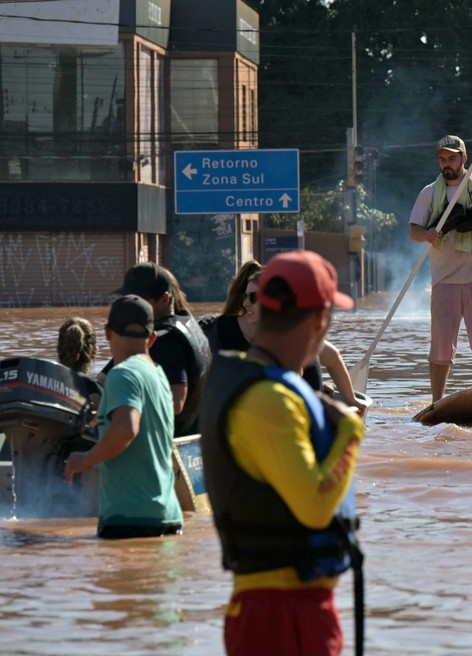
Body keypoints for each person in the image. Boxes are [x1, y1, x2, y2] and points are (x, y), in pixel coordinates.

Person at [200, 250, 364, 656]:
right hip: (282, 614)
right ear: (318, 320)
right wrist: (349, 433)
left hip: (278, 608)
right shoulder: (271, 400)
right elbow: (313, 507)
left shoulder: (254, 382)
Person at [64, 295, 183, 539]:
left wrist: (84, 459)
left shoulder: (122, 374)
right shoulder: (158, 375)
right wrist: (108, 418)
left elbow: (127, 430)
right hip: (168, 515)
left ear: (108, 333)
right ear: (151, 338)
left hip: (130, 519)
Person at [409, 134, 472, 401]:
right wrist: (427, 234)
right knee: (441, 347)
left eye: (452, 158)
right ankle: (436, 402)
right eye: (442, 159)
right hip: (444, 280)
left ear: (464, 159)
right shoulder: (429, 192)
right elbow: (414, 231)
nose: (446, 163)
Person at [110, 262, 211, 435]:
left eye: (140, 300)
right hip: (197, 433)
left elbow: (175, 403)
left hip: (173, 437)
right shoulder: (187, 323)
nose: (132, 305)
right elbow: (103, 379)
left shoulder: (166, 340)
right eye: (128, 298)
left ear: (165, 299)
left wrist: (123, 409)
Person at [200, 260, 264, 354]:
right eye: (247, 296)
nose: (246, 303)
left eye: (253, 297)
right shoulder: (213, 331)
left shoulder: (282, 336)